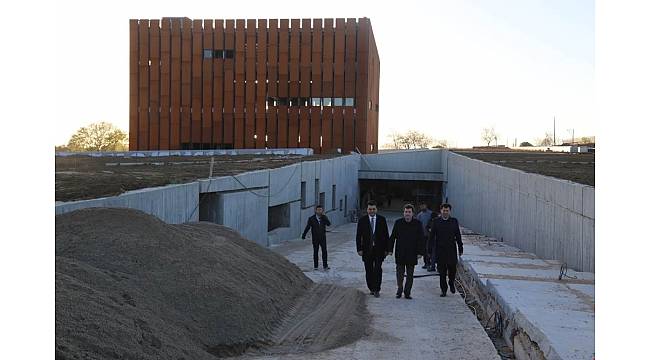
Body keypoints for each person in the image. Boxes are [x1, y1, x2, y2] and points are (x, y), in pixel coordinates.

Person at [388, 204, 425, 300]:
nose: (407, 214)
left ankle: (407, 292)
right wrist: (390, 249)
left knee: (410, 275)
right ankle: (400, 289)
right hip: (400, 252)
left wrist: (420, 252)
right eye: (406, 212)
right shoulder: (398, 223)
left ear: (413, 213)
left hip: (412, 253)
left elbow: (421, 239)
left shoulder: (418, 224)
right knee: (399, 274)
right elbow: (392, 237)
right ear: (403, 213)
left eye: (409, 212)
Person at [356, 200, 390, 298]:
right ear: (367, 210)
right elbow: (358, 236)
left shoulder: (382, 220)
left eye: (373, 209)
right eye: (370, 209)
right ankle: (371, 287)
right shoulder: (362, 220)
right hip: (367, 250)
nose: (371, 211)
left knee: (378, 269)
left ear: (376, 209)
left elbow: (386, 235)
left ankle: (377, 289)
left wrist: (387, 249)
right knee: (369, 270)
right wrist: (359, 249)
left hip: (379, 250)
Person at [430, 203, 463, 297]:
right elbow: (432, 236)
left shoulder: (454, 221)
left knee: (452, 270)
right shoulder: (436, 221)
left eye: (447, 210)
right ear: (441, 211)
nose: (445, 212)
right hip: (440, 250)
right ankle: (443, 290)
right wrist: (429, 250)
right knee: (442, 273)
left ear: (450, 211)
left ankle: (451, 282)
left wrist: (460, 247)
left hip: (451, 250)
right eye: (443, 210)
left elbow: (458, 235)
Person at [302, 205, 331, 270]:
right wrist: (304, 235)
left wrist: (324, 217)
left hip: (323, 238)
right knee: (315, 251)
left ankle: (325, 266)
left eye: (320, 210)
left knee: (324, 251)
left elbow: (329, 224)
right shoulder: (311, 218)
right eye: (318, 210)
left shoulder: (324, 218)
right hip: (315, 238)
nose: (319, 211)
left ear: (322, 210)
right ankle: (315, 266)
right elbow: (308, 227)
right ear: (315, 210)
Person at [416, 202, 433, 271]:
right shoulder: (419, 215)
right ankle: (426, 263)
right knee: (424, 250)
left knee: (429, 250)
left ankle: (431, 263)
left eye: (423, 205)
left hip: (430, 236)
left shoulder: (431, 213)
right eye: (421, 206)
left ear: (426, 205)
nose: (422, 207)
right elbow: (417, 225)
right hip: (422, 236)